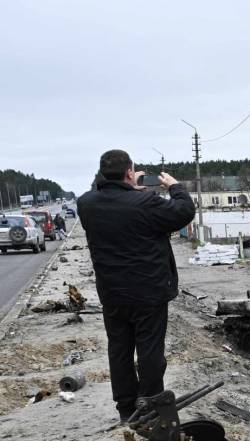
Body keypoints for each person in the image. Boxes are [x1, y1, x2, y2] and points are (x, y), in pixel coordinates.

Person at [77, 150, 195, 421]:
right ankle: (151, 403)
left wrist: (126, 186)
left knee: (119, 350)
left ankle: (126, 408)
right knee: (150, 350)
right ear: (130, 172)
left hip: (112, 293)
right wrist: (174, 186)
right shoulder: (145, 201)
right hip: (148, 292)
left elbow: (105, 196)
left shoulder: (87, 204)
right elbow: (184, 211)